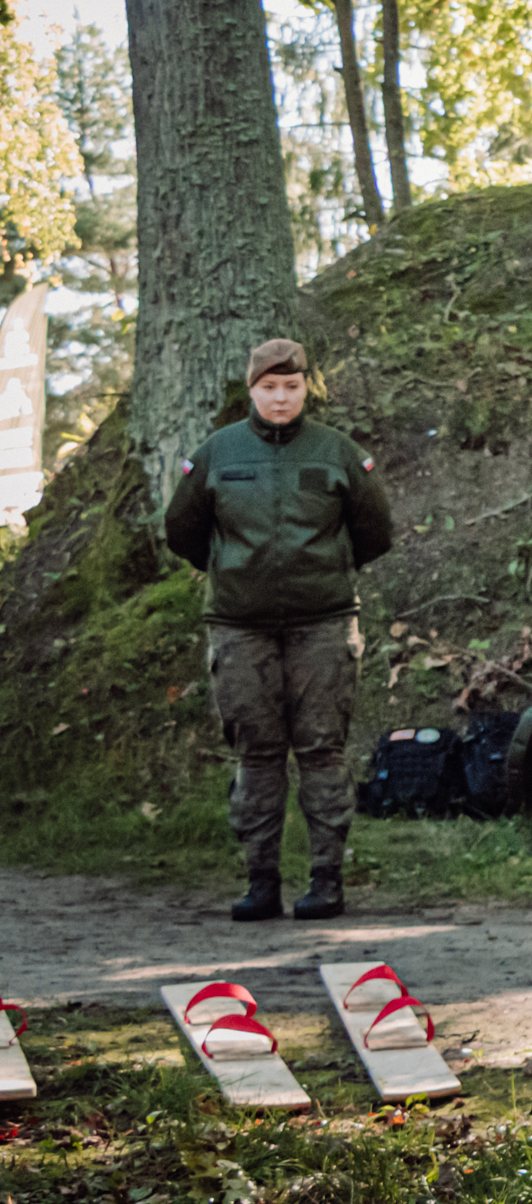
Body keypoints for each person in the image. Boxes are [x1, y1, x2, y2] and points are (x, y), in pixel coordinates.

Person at [163, 339, 394, 923]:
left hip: (324, 625)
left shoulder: (337, 452)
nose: (281, 398)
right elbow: (183, 530)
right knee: (257, 753)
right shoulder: (217, 453)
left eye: (292, 387)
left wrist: (325, 573)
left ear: (306, 388)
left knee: (322, 751)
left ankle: (326, 881)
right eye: (269, 387)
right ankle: (260, 882)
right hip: (240, 629)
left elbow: (375, 531)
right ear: (252, 389)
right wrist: (233, 572)